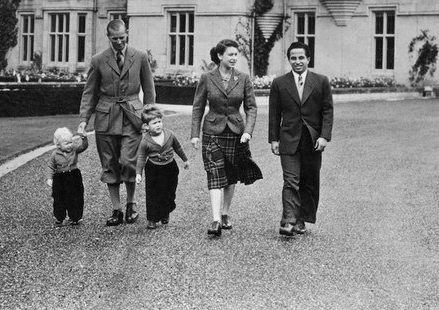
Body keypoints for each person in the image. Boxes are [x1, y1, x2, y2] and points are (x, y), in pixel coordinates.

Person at [77, 19, 155, 226]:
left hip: (133, 116)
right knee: (109, 164)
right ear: (108, 37)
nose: (119, 42)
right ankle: (117, 209)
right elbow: (89, 93)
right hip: (106, 116)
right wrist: (84, 120)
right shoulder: (98, 60)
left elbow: (149, 90)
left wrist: (150, 116)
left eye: (122, 38)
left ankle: (131, 204)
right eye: (115, 39)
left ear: (127, 34)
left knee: (129, 161)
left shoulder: (139, 57)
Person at [191, 39, 261, 237]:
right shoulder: (207, 78)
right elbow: (197, 107)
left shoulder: (243, 78)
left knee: (230, 176)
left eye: (236, 55)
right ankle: (215, 220)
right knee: (214, 173)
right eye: (230, 54)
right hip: (212, 131)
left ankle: (225, 213)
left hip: (236, 132)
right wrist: (194, 135)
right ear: (220, 56)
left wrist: (248, 131)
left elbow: (251, 107)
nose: (234, 58)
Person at [269, 41, 333, 237]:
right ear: (289, 60)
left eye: (301, 58)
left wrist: (324, 137)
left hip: (312, 140)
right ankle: (288, 220)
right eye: (293, 58)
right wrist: (274, 139)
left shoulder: (321, 81)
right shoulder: (280, 83)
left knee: (309, 181)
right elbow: (274, 113)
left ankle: (301, 219)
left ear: (308, 59)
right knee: (291, 181)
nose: (297, 62)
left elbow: (327, 111)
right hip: (288, 138)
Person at [135, 105, 189, 229]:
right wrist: (138, 173)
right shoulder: (145, 141)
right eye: (154, 123)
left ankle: (165, 211)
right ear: (147, 126)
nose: (158, 125)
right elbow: (141, 157)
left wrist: (185, 160)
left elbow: (178, 147)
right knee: (153, 194)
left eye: (159, 121)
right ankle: (152, 219)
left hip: (170, 167)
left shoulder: (170, 134)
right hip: (153, 169)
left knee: (169, 191)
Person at [45, 127, 88, 227]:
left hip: (73, 175)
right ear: (58, 145)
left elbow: (83, 147)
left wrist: (84, 139)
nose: (70, 145)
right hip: (60, 178)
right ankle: (59, 217)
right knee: (59, 197)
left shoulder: (74, 150)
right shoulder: (55, 154)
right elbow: (50, 166)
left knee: (75, 196)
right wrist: (49, 178)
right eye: (66, 143)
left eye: (70, 142)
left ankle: (75, 217)